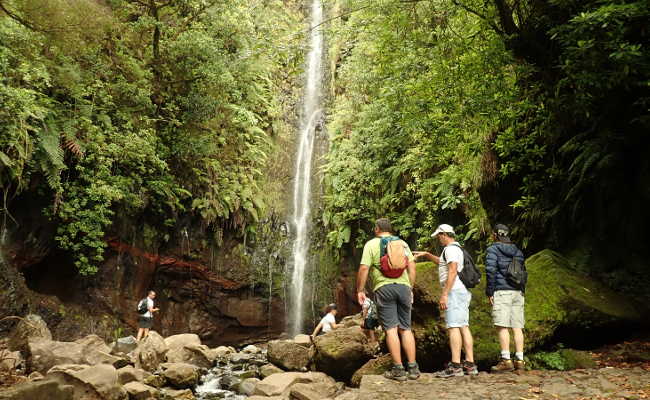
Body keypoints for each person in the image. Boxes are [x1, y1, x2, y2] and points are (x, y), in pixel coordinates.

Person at [357, 218, 420, 381]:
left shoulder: (371, 244)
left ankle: (398, 369)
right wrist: (410, 287)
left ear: (377, 229)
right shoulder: (403, 244)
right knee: (406, 328)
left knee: (391, 329)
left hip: (384, 288)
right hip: (404, 287)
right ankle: (413, 368)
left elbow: (364, 268)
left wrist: (360, 290)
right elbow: (412, 267)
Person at [414, 224, 477, 377]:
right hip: (461, 291)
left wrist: (444, 294)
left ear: (444, 234)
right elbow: (444, 263)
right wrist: (427, 255)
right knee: (463, 326)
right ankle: (470, 364)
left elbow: (453, 270)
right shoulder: (456, 249)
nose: (438, 239)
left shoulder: (450, 249)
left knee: (453, 327)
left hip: (454, 292)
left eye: (439, 236)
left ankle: (455, 366)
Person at [486, 224, 526, 372]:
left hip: (502, 292)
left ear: (495, 235)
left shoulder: (493, 249)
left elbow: (491, 271)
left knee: (502, 326)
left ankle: (506, 360)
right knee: (517, 326)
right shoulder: (518, 251)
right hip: (517, 292)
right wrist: (522, 290)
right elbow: (522, 272)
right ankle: (520, 360)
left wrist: (489, 292)